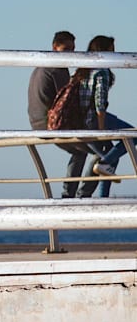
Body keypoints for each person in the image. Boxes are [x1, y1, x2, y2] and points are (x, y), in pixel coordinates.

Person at [28, 30, 87, 198]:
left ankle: (72, 193)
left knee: (84, 148)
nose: (71, 53)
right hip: (49, 124)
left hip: (36, 122)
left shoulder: (42, 66)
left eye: (73, 49)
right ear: (55, 47)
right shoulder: (57, 69)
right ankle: (74, 194)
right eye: (67, 48)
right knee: (85, 149)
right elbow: (65, 102)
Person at [84, 35, 131, 192]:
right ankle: (104, 164)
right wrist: (102, 128)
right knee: (132, 135)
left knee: (110, 154)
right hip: (94, 118)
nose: (114, 55)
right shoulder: (101, 71)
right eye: (111, 51)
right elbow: (100, 102)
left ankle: (103, 196)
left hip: (81, 119)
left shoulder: (83, 69)